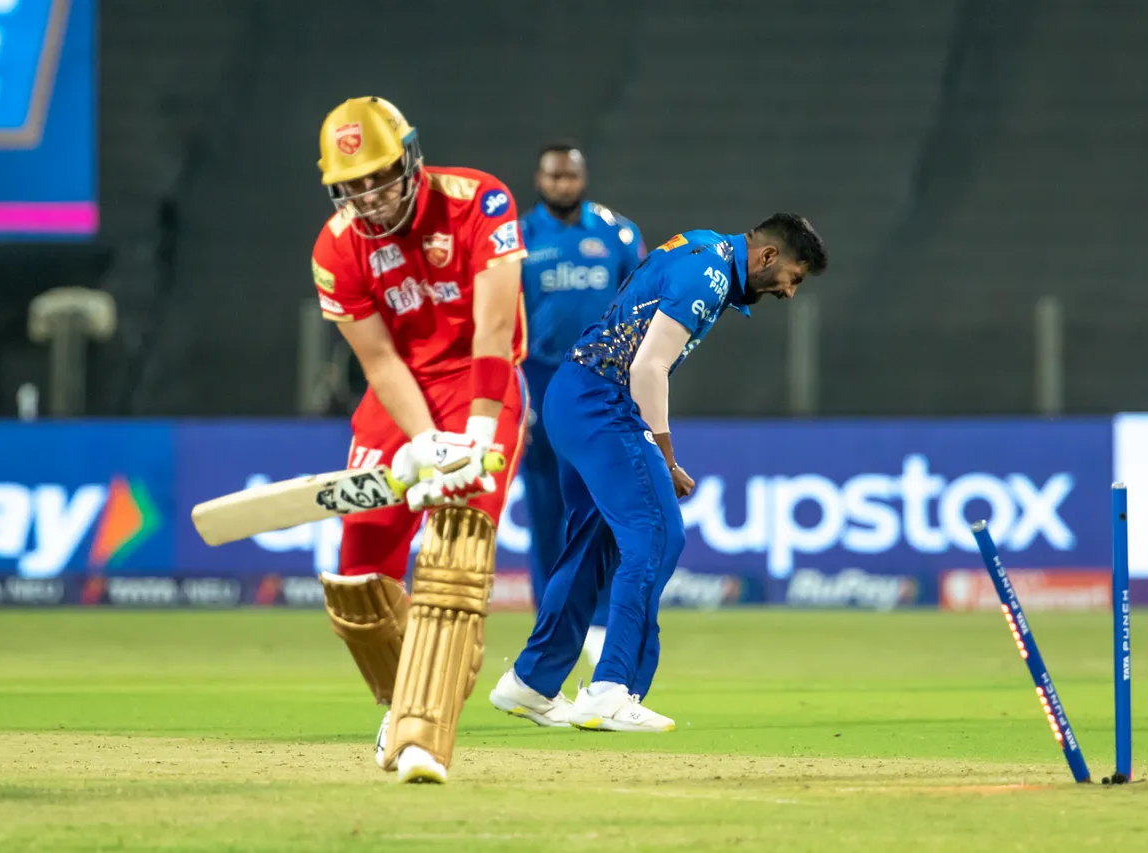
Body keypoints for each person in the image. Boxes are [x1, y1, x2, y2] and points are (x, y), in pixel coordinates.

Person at [489, 214, 828, 731]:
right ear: (767, 258)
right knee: (658, 535)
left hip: (571, 395)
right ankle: (609, 691)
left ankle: (531, 682)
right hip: (603, 402)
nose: (790, 292)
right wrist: (665, 459)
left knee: (590, 547)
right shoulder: (710, 275)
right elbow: (649, 367)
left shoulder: (705, 245)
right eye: (794, 277)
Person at [309, 96, 533, 784]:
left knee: (452, 564)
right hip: (401, 397)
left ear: (410, 158)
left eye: (381, 176)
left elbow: (494, 334)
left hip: (482, 388)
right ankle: (407, 693)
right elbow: (378, 361)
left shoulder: (480, 201)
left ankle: (420, 736)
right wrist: (426, 441)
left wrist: (469, 439)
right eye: (354, 185)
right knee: (356, 581)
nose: (370, 196)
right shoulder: (335, 246)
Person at [516, 142, 646, 667]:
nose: (564, 184)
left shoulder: (617, 233)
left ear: (583, 177)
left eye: (571, 175)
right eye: (554, 176)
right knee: (546, 507)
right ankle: (550, 621)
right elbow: (505, 320)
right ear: (539, 179)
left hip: (601, 381)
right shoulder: (521, 237)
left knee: (605, 503)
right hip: (541, 381)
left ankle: (597, 622)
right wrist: (516, 393)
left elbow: (638, 311)